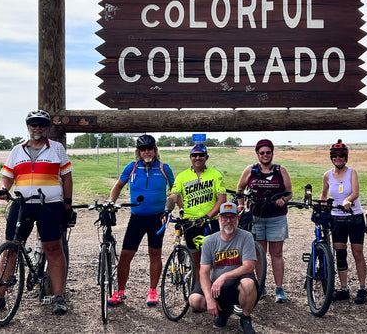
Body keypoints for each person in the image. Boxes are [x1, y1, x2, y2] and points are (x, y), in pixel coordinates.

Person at [0, 110, 73, 315]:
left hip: (50, 204)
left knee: (53, 248)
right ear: (28, 126)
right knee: (10, 247)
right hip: (21, 204)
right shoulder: (17, 150)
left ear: (46, 128)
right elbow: (6, 176)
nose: (37, 128)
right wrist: (3, 189)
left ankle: (59, 297)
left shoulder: (57, 149)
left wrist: (67, 203)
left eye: (41, 125)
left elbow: (66, 177)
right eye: (33, 124)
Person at [107, 134, 174, 306]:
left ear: (155, 150)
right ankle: (120, 291)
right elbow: (118, 186)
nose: (146, 152)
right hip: (136, 218)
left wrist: (179, 209)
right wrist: (111, 203)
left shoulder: (164, 168)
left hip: (157, 218)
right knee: (126, 255)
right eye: (143, 149)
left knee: (155, 254)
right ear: (138, 151)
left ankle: (152, 291)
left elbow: (175, 191)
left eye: (149, 148)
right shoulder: (132, 167)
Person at [236, 139, 293, 303]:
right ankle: (261, 286)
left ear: (272, 153)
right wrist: (241, 206)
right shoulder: (250, 170)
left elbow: (289, 192)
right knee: (259, 255)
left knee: (276, 254)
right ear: (257, 154)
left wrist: (283, 199)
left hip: (277, 217)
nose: (265, 155)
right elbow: (240, 189)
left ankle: (279, 288)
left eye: (268, 152)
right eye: (262, 153)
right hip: (257, 217)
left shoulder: (280, 170)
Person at [188, 202, 257, 334]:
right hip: (217, 288)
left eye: (232, 217)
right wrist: (209, 298)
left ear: (238, 218)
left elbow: (249, 266)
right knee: (195, 300)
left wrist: (224, 276)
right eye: (225, 218)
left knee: (248, 284)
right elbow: (204, 272)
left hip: (238, 283)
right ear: (219, 219)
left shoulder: (246, 237)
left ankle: (246, 317)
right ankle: (224, 312)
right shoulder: (210, 241)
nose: (228, 221)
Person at [164, 143, 226, 280]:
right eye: (194, 155)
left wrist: (207, 216)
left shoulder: (215, 175)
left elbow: (222, 199)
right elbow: (173, 195)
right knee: (196, 262)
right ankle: (198, 292)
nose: (198, 157)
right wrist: (167, 210)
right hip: (190, 223)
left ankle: (216, 291)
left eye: (201, 155)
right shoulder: (182, 176)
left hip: (210, 222)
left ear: (207, 157)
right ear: (190, 157)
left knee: (213, 261)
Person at [320, 140, 367, 304]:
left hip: (354, 217)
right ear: (331, 157)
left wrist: (347, 200)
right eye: (335, 156)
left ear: (345, 157)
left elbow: (355, 192)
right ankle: (344, 288)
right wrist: (320, 206)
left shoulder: (351, 172)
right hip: (337, 219)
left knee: (357, 253)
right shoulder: (327, 175)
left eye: (341, 156)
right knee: (340, 254)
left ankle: (362, 288)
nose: (338, 158)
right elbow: (324, 195)